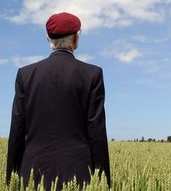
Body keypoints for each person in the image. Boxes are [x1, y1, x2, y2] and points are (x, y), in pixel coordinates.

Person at [6, 12, 111, 190]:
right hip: (79, 174)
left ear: (48, 39)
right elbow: (97, 133)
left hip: (32, 173)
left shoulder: (25, 74)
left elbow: (17, 131)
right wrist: (104, 182)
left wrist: (10, 179)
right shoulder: (92, 75)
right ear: (76, 40)